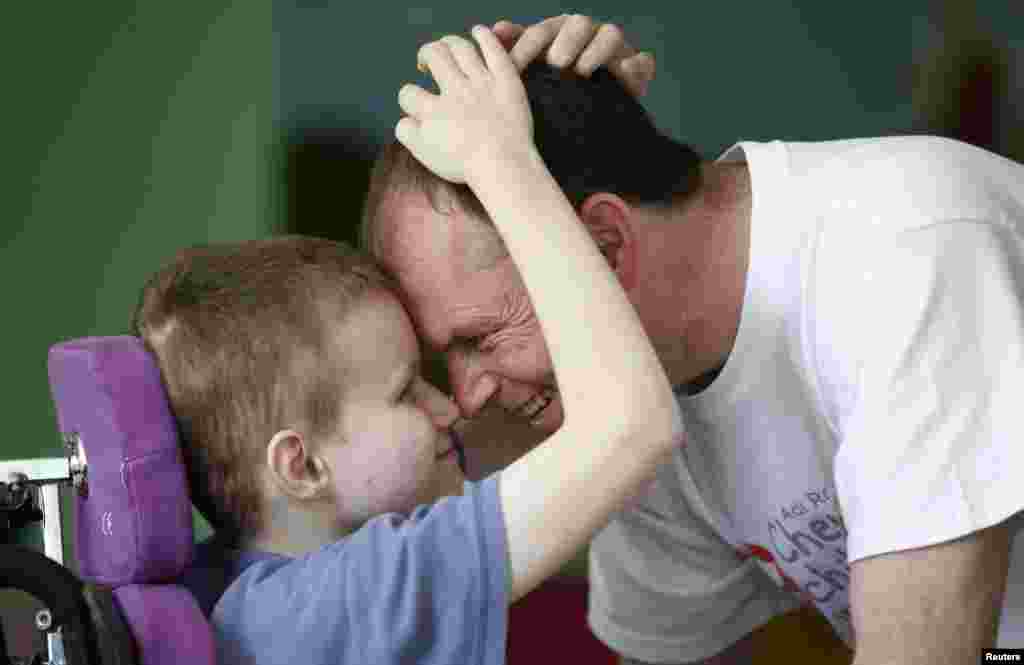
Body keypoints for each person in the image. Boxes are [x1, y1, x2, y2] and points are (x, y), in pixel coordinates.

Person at [363, 15, 1024, 665]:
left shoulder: (906, 254)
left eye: (479, 337)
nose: (469, 395)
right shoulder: (630, 391)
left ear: (607, 244)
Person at [133, 25, 683, 665]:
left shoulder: (230, 592)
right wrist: (505, 162)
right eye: (406, 391)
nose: (451, 408)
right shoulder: (358, 594)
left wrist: (585, 130)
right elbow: (628, 427)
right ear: (302, 466)